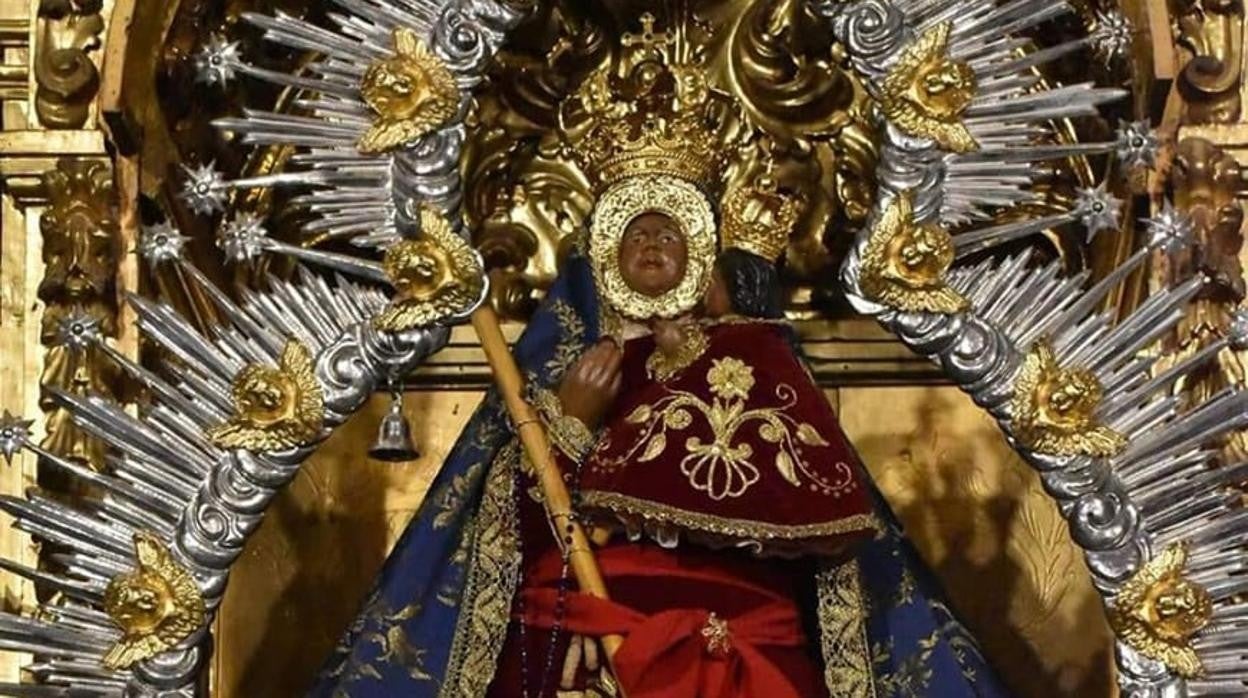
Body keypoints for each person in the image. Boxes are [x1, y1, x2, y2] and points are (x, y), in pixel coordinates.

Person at [309, 42, 1011, 698]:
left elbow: (808, 511)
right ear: (605, 254)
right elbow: (503, 538)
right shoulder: (567, 369)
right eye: (635, 232)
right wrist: (570, 425)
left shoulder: (752, 360)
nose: (650, 244)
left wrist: (731, 351)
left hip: (738, 645)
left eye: (669, 231)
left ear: (700, 253)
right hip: (587, 641)